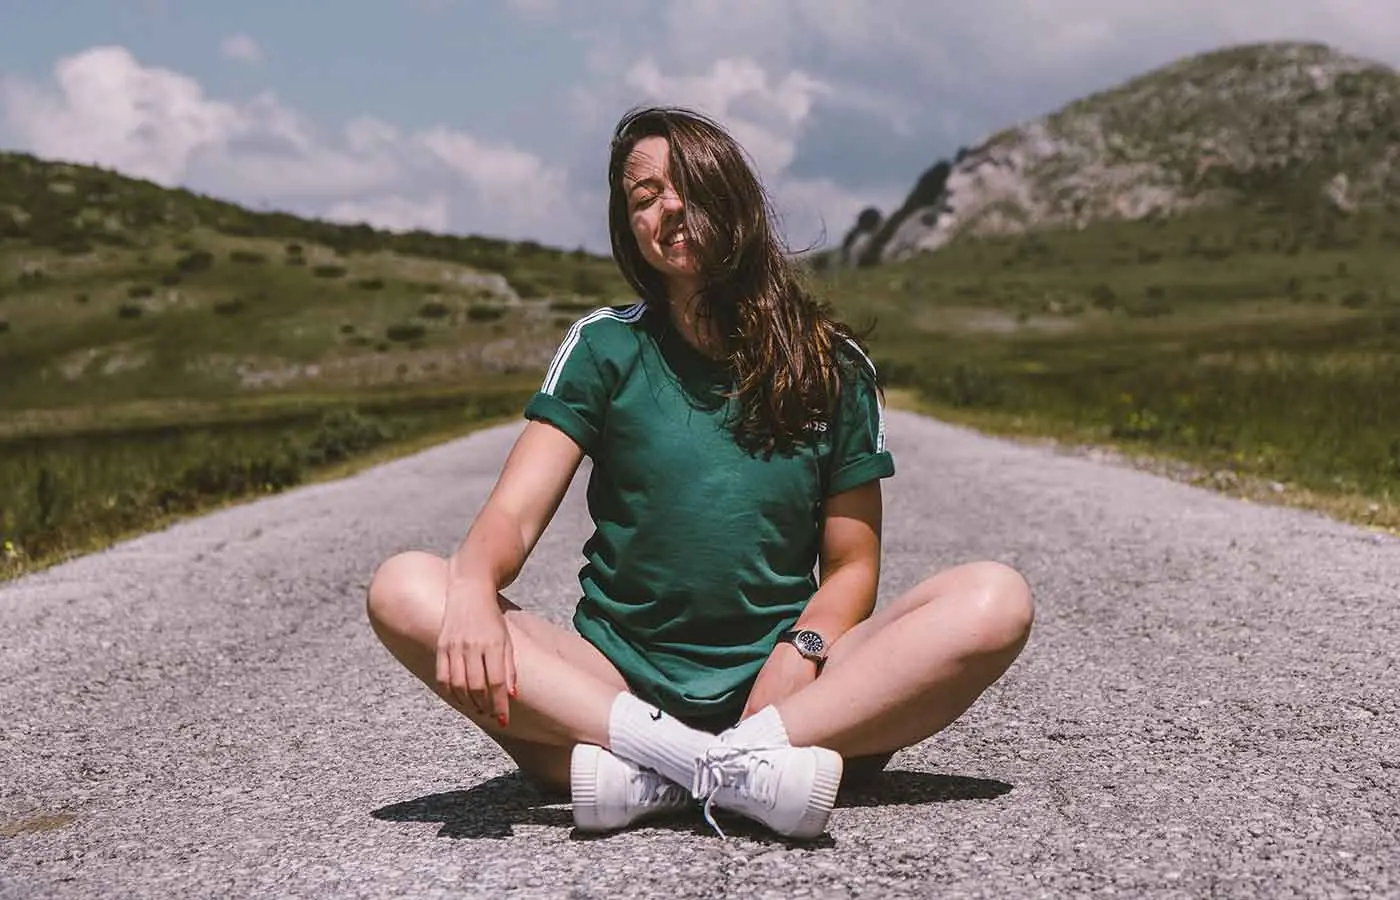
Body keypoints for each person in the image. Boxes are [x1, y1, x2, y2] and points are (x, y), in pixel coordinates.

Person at [366, 105, 1034, 841]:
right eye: (645, 196)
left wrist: (802, 651)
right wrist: (470, 589)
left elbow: (851, 568)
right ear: (630, 227)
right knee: (405, 587)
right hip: (612, 689)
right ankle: (716, 768)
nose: (670, 207)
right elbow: (512, 517)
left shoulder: (834, 366)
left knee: (995, 599)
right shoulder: (602, 348)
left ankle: (669, 774)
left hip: (789, 697)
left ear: (733, 193)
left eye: (687, 183)